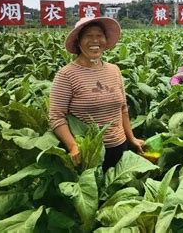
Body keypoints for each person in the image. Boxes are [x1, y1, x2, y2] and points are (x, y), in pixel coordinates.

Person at [49, 17, 145, 172]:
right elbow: (56, 116)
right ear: (78, 41)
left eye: (99, 35)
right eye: (88, 35)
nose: (95, 40)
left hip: (120, 146)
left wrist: (131, 138)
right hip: (88, 154)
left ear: (105, 40)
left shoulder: (114, 70)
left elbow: (123, 109)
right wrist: (73, 146)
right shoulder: (66, 75)